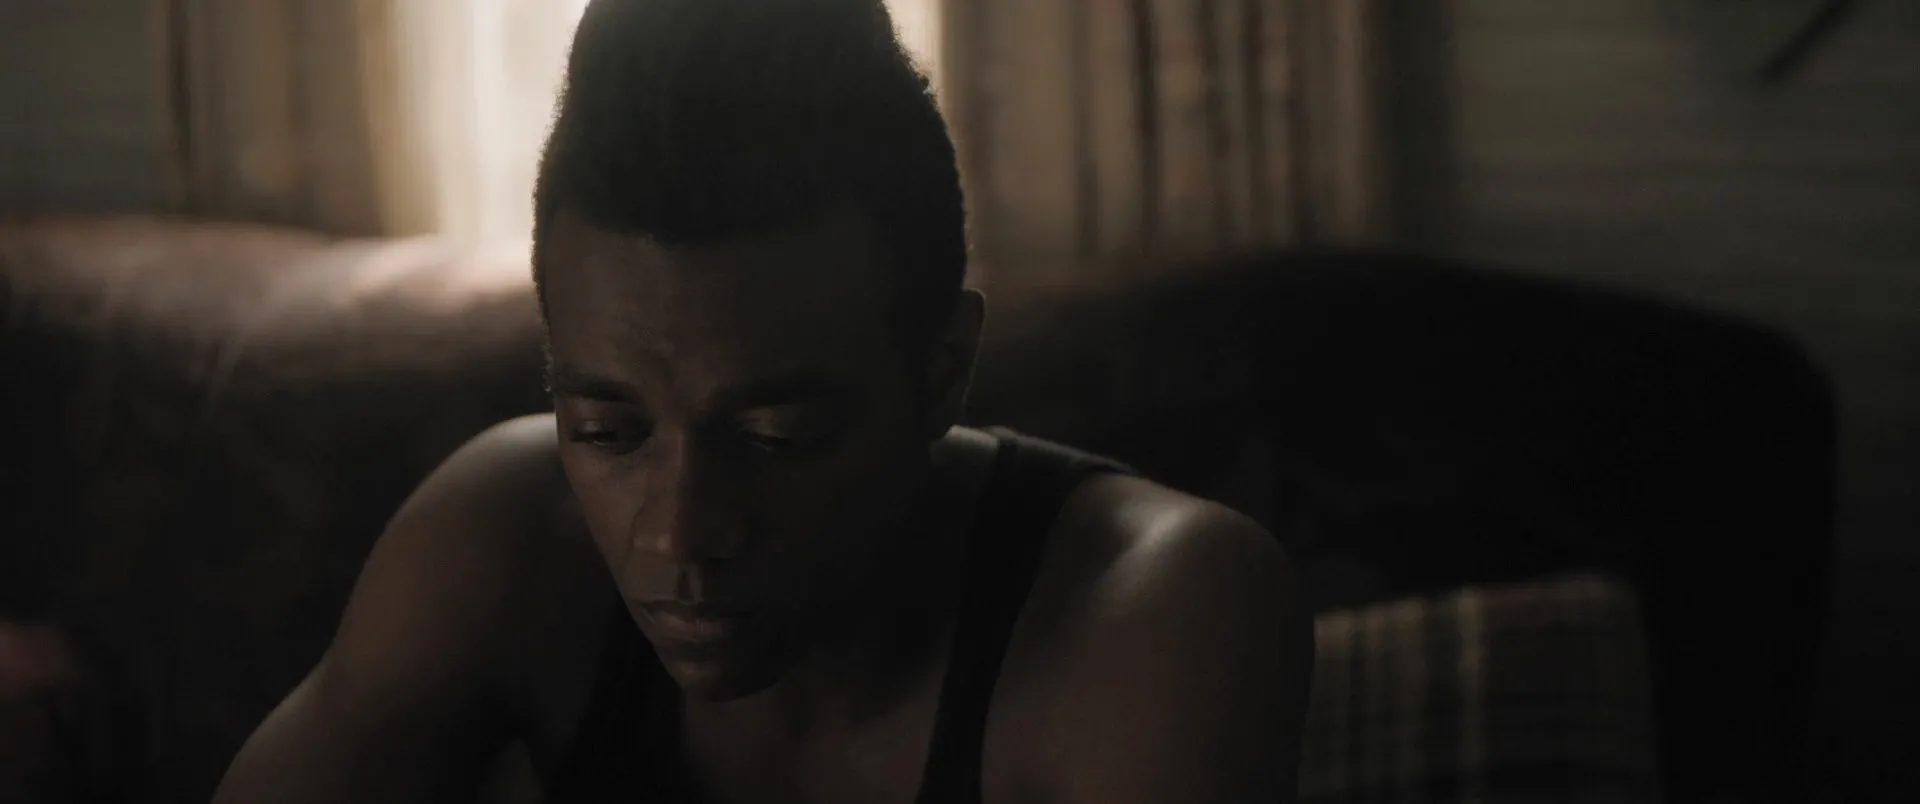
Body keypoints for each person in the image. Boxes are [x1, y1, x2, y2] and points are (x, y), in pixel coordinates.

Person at [210, 1, 1312, 802]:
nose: (682, 532)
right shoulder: (504, 537)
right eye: (608, 431)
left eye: (778, 435)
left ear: (942, 373)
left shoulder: (1154, 616)